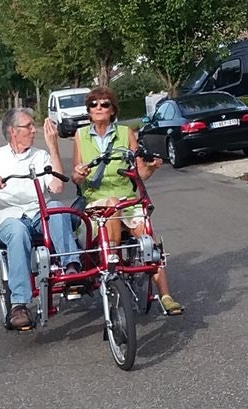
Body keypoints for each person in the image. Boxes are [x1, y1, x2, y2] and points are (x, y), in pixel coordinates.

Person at [71, 86, 182, 315]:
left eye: (105, 104)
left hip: (127, 201)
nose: (99, 108)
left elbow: (140, 174)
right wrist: (79, 174)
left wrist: (151, 168)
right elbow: (75, 176)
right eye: (94, 104)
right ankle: (112, 264)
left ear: (113, 110)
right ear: (89, 110)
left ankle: (166, 296)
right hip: (96, 202)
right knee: (111, 203)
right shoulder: (80, 136)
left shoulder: (126, 133)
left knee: (148, 241)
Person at [0, 108, 81, 329]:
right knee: (17, 231)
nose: (34, 130)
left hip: (37, 214)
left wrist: (53, 147)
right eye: (28, 126)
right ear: (13, 131)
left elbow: (57, 187)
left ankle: (71, 268)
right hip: (8, 218)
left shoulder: (40, 156)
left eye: (33, 126)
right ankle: (19, 304)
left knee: (56, 207)